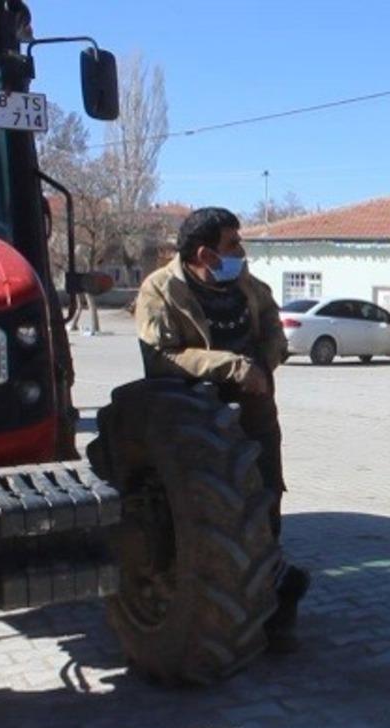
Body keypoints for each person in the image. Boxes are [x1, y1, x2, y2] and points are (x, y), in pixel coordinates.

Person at [134, 207, 311, 653]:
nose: (240, 251)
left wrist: (263, 364)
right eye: (232, 243)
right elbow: (161, 356)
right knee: (208, 515)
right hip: (193, 420)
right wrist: (231, 367)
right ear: (204, 254)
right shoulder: (160, 289)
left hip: (254, 412)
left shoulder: (248, 285)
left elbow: (273, 329)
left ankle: (272, 602)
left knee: (265, 499)